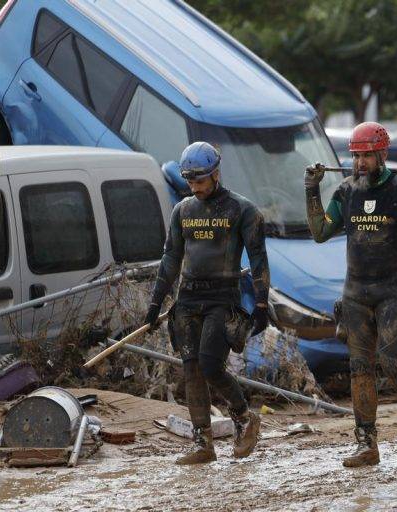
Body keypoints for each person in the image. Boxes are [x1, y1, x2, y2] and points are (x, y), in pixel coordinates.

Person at [304, 122, 397, 468]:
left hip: (393, 291)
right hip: (355, 293)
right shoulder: (346, 191)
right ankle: (366, 443)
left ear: (382, 154)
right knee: (359, 369)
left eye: (367, 156)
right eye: (356, 156)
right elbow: (320, 232)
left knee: (392, 362)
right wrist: (311, 190)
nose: (360, 163)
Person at [144, 142, 270, 465]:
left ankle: (244, 418)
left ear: (216, 173)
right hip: (187, 299)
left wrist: (261, 303)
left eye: (200, 180)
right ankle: (203, 443)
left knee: (211, 364)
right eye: (190, 181)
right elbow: (171, 258)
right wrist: (156, 302)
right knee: (191, 371)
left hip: (221, 299)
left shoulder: (243, 211)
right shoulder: (183, 210)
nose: (195, 187)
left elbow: (258, 259)